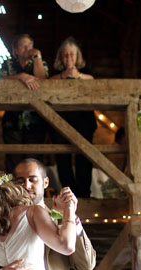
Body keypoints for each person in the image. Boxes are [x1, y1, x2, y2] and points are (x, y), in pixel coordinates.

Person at [49, 37, 97, 198]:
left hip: (83, 119)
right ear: (61, 58)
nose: (69, 58)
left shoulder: (86, 73)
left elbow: (93, 81)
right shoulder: (56, 75)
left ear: (77, 57)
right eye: (65, 55)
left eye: (72, 54)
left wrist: (77, 76)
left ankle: (84, 193)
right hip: (62, 120)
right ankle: (69, 194)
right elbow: (48, 83)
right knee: (63, 158)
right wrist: (64, 75)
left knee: (84, 156)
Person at [0, 34, 50, 172]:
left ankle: (33, 193)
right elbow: (1, 82)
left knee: (33, 160)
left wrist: (37, 58)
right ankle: (12, 192)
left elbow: (42, 81)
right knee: (13, 160)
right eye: (23, 46)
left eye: (30, 46)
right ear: (15, 50)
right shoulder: (8, 64)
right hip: (12, 120)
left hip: (35, 120)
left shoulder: (40, 63)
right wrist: (21, 77)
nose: (28, 49)